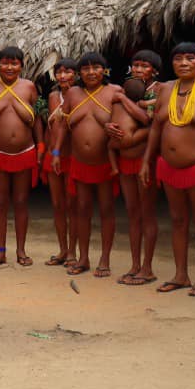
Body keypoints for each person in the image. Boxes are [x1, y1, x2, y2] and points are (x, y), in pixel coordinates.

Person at [141, 42, 195, 298]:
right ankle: (181, 275)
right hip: (168, 166)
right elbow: (156, 128)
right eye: (178, 58)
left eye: (190, 58)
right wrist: (147, 161)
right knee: (177, 220)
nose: (183, 63)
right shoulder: (166, 89)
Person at [52, 53, 148, 277]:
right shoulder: (73, 93)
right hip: (79, 161)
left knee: (106, 210)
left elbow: (141, 118)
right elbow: (63, 126)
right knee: (82, 209)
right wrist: (56, 152)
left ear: (104, 71)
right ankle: (83, 258)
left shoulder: (114, 91)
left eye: (96, 68)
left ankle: (104, 260)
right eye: (85, 69)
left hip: (105, 163)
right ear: (79, 73)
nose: (91, 72)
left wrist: (122, 106)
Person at [0, 47, 43, 267]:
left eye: (14, 63)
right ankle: (0, 251)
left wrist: (41, 146)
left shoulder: (30, 87)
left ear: (21, 66)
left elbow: (39, 117)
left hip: (24, 152)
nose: (10, 67)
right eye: (5, 63)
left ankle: (21, 251)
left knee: (21, 202)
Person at [109, 78, 156, 285]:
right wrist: (107, 126)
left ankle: (148, 268)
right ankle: (135, 265)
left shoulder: (157, 96)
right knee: (133, 213)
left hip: (143, 162)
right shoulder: (117, 103)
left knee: (146, 214)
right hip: (125, 162)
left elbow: (148, 122)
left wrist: (132, 137)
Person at [43, 58, 78, 265]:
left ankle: (73, 252)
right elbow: (52, 127)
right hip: (53, 155)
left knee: (73, 206)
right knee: (57, 205)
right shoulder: (53, 96)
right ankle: (62, 250)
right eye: (59, 72)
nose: (63, 76)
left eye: (68, 72)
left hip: (72, 155)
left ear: (76, 74)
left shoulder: (81, 95)